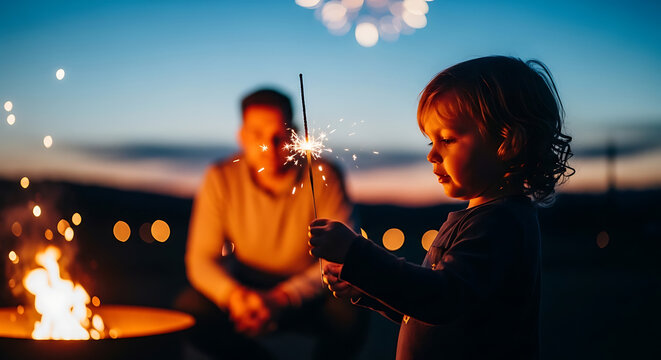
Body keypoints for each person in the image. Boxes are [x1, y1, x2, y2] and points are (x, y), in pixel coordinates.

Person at [309, 56, 574, 359]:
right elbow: (425, 306)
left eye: (447, 139)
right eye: (430, 142)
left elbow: (441, 298)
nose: (432, 155)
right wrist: (363, 284)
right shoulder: (480, 219)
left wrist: (357, 253)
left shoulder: (500, 224)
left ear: (508, 143)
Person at [178, 88, 367, 359]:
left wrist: (282, 298)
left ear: (295, 134)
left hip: (309, 291)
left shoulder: (324, 176)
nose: (270, 145)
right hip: (245, 288)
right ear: (241, 136)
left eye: (280, 134)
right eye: (257, 134)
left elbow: (339, 259)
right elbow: (200, 259)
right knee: (189, 307)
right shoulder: (220, 178)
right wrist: (235, 297)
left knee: (352, 308)